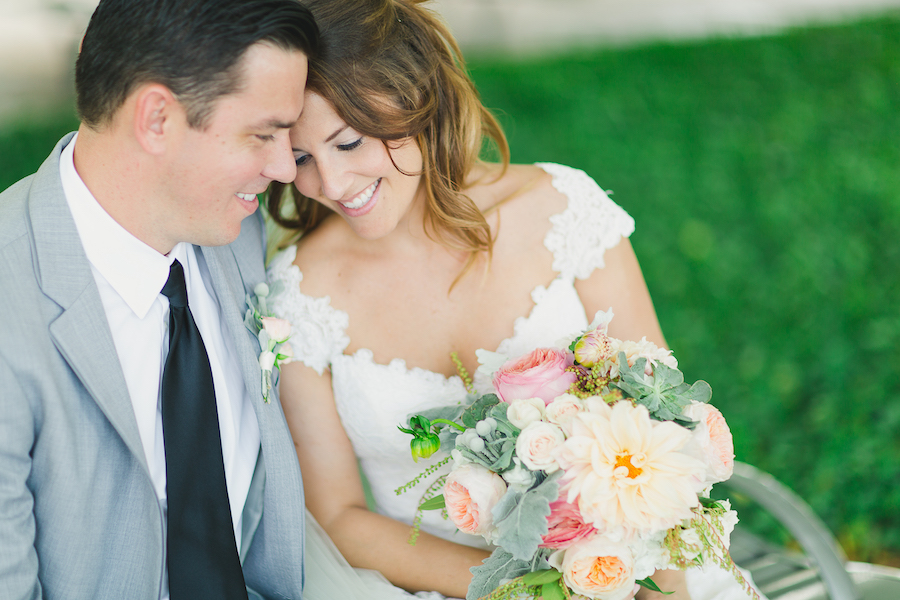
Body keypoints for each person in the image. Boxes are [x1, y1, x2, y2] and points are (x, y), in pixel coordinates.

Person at [267, 1, 760, 599]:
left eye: (347, 143)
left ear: (414, 95)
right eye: (299, 158)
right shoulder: (299, 293)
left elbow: (666, 434)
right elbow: (340, 517)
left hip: (637, 571)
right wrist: (527, 591)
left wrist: (656, 588)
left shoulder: (563, 212)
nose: (332, 184)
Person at [0, 0, 317, 598]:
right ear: (156, 119)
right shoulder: (11, 312)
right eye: (263, 134)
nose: (284, 167)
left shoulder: (236, 226)